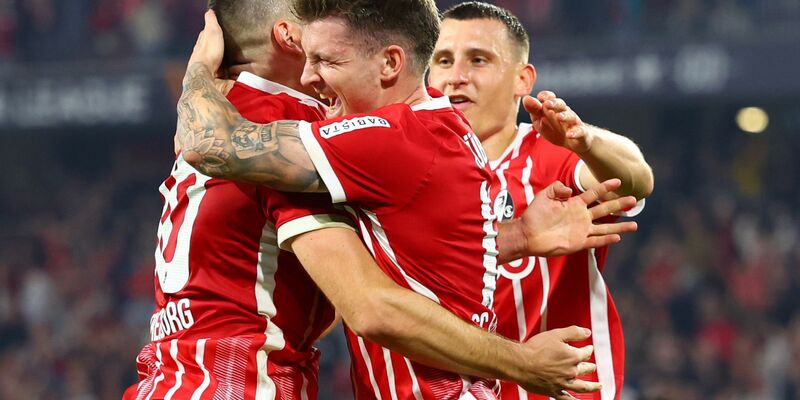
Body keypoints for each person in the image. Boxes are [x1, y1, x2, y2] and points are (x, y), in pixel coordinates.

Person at [174, 1, 638, 398]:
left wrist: (199, 68)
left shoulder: (394, 138)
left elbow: (207, 142)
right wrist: (512, 236)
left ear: (390, 63)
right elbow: (418, 252)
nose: (310, 77)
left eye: (327, 61)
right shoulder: (433, 130)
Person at [427, 2, 655, 399]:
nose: (456, 77)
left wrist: (586, 140)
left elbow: (635, 180)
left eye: (478, 60)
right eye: (443, 60)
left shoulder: (549, 158)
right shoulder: (407, 170)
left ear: (523, 79)